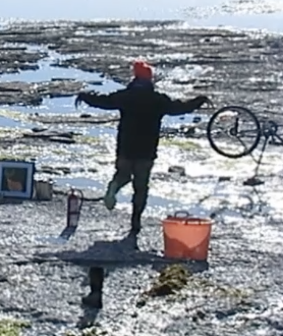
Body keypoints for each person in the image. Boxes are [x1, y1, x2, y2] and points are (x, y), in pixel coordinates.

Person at [76, 59, 208, 236]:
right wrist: (198, 101)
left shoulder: (125, 96)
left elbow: (104, 102)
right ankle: (135, 222)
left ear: (135, 78)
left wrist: (85, 96)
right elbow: (179, 108)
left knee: (122, 174)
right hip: (146, 151)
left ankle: (114, 186)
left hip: (125, 147)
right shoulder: (158, 100)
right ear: (150, 80)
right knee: (141, 187)